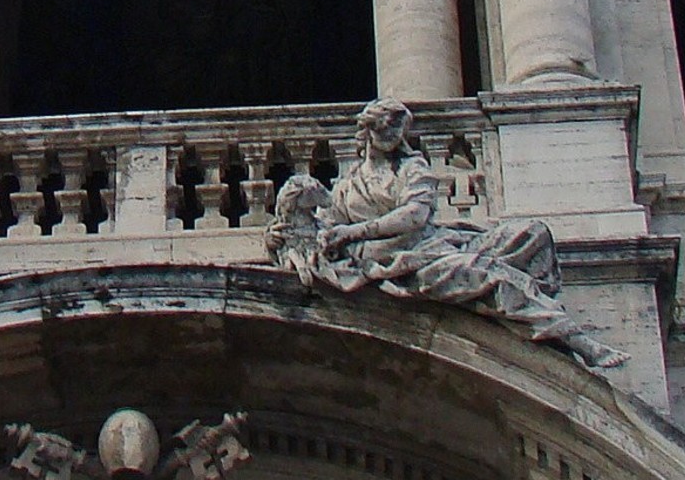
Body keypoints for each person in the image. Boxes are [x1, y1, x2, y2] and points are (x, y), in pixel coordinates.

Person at [268, 100, 626, 373]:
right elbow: (324, 232)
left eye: (396, 135)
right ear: (367, 135)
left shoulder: (414, 168)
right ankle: (579, 342)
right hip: (397, 264)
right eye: (385, 133)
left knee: (534, 234)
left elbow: (415, 215)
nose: (392, 141)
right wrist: (282, 238)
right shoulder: (346, 188)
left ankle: (540, 319)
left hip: (429, 245)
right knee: (496, 278)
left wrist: (355, 231)